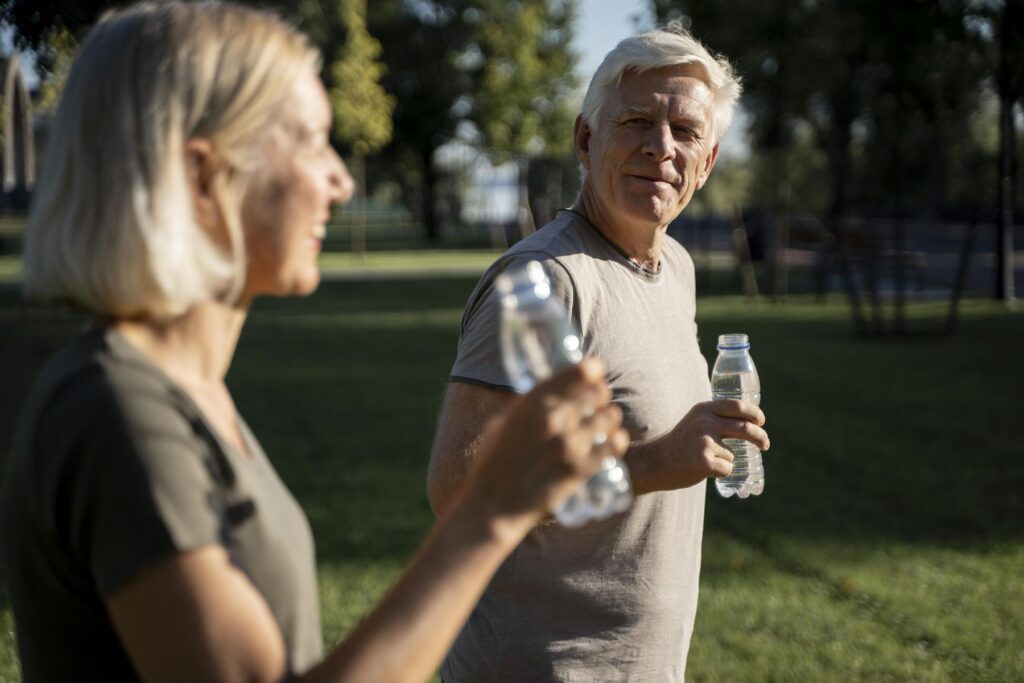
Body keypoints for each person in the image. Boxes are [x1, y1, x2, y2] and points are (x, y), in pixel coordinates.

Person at [0, 4, 630, 682]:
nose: (341, 179)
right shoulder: (117, 414)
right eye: (309, 141)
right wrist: (489, 512)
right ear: (204, 177)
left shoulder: (182, 391)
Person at [428, 24, 771, 681]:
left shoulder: (673, 266)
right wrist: (653, 461)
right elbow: (458, 486)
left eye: (686, 132)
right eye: (637, 121)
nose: (660, 148)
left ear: (709, 160)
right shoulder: (545, 283)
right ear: (586, 141)